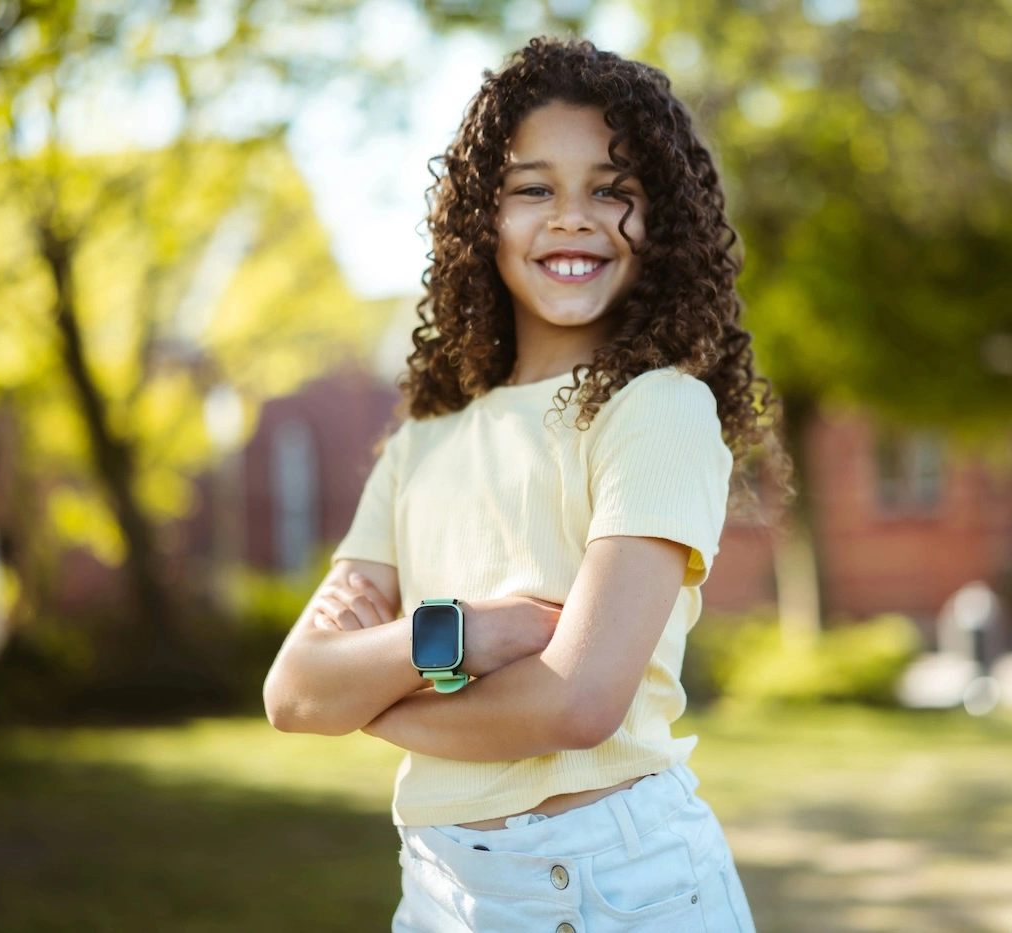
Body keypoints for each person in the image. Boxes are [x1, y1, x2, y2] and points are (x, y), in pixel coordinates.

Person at [263, 36, 789, 933]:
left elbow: (576, 703)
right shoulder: (420, 444)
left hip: (615, 886)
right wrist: (471, 634)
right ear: (483, 220)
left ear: (658, 225)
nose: (572, 218)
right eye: (534, 189)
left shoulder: (655, 411)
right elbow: (293, 691)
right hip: (438, 892)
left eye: (611, 190)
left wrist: (372, 697)